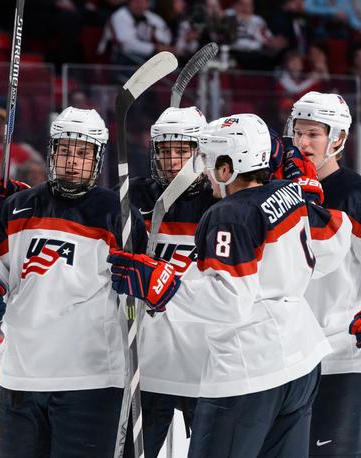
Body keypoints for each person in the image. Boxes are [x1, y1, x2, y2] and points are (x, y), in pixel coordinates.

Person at [109, 113, 351, 457]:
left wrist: (161, 284)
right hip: (302, 359)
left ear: (228, 168)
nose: (204, 171)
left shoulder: (228, 213)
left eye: (208, 161)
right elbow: (333, 244)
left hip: (250, 366)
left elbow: (229, 303)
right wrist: (307, 195)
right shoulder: (287, 194)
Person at [0, 107, 148, 456]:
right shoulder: (18, 207)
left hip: (90, 381)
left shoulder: (118, 215)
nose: (71, 161)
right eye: (65, 150)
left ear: (97, 158)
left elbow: (146, 287)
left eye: (82, 153)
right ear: (52, 152)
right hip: (19, 378)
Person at [125, 106, 217, 458]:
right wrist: (21, 198)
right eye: (165, 150)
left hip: (206, 360)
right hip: (150, 357)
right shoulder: (138, 196)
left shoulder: (222, 199)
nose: (172, 160)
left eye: (183, 150)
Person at [287, 92, 361, 456]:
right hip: (288, 356)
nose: (302, 142)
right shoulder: (283, 193)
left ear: (339, 138)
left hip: (340, 353)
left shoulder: (354, 194)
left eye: (313, 133)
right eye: (298, 132)